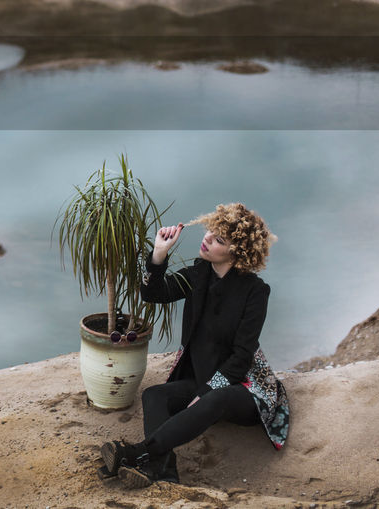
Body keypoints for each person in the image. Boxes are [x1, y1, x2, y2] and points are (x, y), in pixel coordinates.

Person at [97, 202, 290, 489]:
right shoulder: (199, 274)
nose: (207, 238)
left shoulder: (255, 292)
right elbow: (153, 294)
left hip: (245, 390)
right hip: (201, 380)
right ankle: (164, 471)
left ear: (238, 253)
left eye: (219, 239)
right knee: (154, 396)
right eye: (210, 231)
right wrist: (159, 254)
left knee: (217, 397)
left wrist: (209, 390)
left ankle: (136, 453)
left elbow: (241, 357)